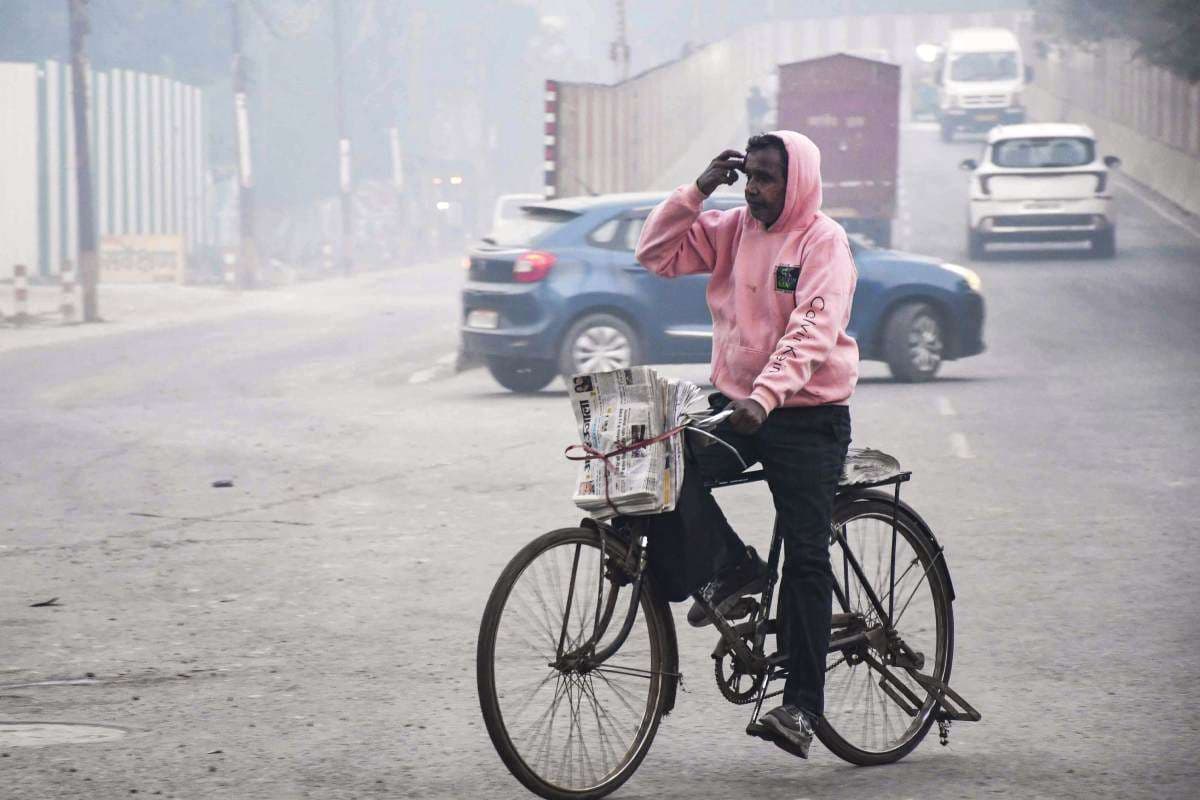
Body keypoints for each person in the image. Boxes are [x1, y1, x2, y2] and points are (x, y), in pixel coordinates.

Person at [633, 131, 858, 757]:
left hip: (808, 417)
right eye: (749, 176)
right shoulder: (732, 229)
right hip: (741, 408)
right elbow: (654, 253)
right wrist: (698, 189)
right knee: (664, 465)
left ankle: (802, 708)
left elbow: (813, 328)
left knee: (807, 558)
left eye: (766, 178)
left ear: (796, 182)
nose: (753, 189)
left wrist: (767, 395)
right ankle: (732, 569)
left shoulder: (822, 241)